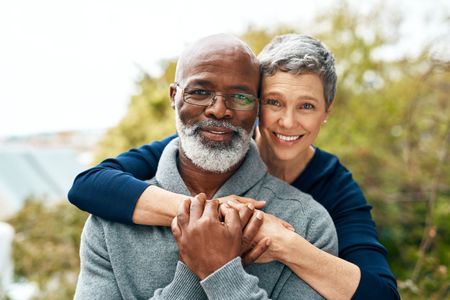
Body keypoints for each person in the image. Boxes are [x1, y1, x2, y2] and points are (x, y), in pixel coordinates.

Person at [69, 34, 400, 299]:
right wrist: (207, 219)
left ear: (327, 110)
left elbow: (381, 294)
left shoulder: (317, 215)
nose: (288, 120)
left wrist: (281, 248)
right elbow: (89, 184)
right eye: (275, 102)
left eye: (307, 106)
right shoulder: (110, 220)